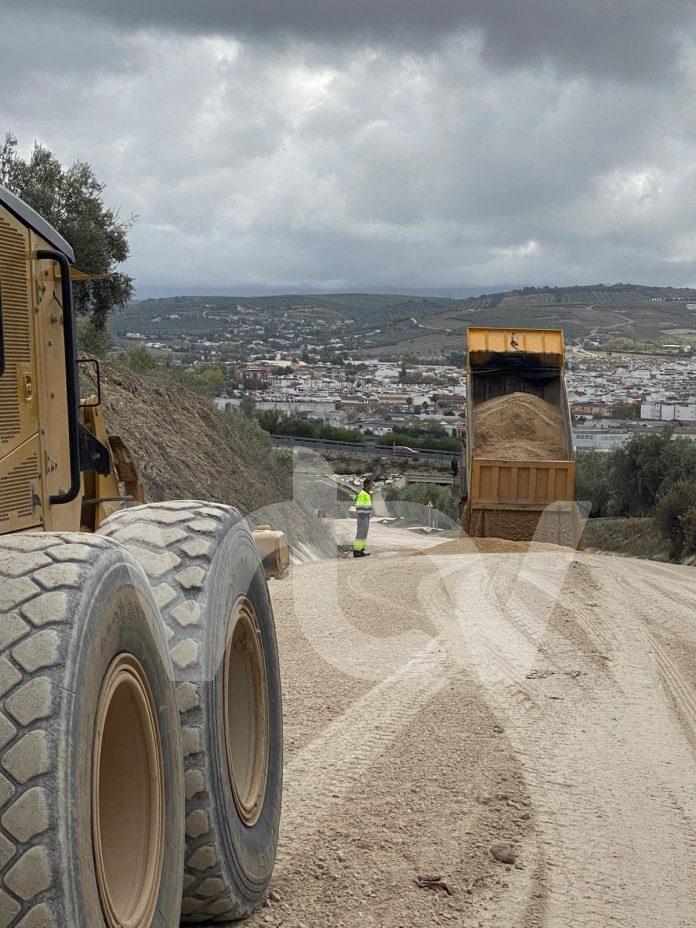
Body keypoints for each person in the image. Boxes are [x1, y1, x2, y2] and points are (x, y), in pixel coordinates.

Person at [353, 478, 373, 557]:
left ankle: (361, 550)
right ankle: (356, 551)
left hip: (366, 517)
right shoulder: (362, 494)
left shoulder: (367, 494)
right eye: (371, 484)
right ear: (367, 485)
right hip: (363, 517)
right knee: (360, 534)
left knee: (364, 534)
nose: (371, 486)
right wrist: (362, 517)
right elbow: (359, 506)